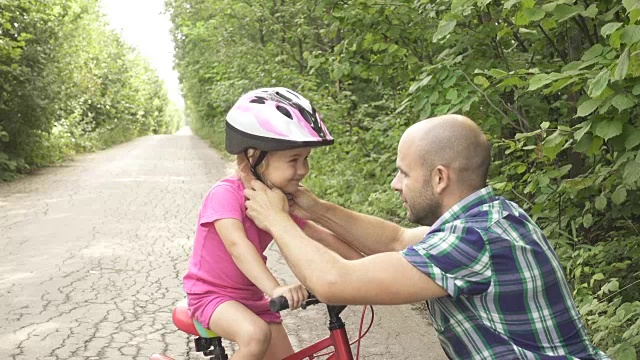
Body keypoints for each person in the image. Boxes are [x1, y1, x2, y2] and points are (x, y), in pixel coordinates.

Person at [244, 114, 609, 359]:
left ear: (439, 178)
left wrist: (277, 221)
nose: (395, 184)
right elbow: (397, 240)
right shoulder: (493, 216)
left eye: (403, 173)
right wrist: (314, 208)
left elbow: (333, 281)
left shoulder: (473, 239)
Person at [182, 87, 361, 360]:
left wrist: (359, 267)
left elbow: (316, 234)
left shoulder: (278, 202)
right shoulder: (225, 195)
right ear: (255, 157)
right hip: (212, 295)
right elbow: (236, 245)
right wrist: (275, 288)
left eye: (306, 159)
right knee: (256, 336)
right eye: (294, 160)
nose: (303, 170)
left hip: (252, 298)